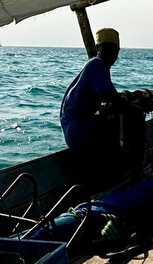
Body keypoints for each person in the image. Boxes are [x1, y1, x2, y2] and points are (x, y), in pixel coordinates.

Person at [59, 28, 145, 183]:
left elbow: (109, 99)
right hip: (78, 132)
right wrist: (131, 101)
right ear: (98, 49)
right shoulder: (97, 65)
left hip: (75, 131)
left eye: (114, 50)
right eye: (107, 49)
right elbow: (114, 99)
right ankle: (136, 175)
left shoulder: (97, 67)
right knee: (135, 114)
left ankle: (115, 170)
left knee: (119, 118)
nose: (111, 54)